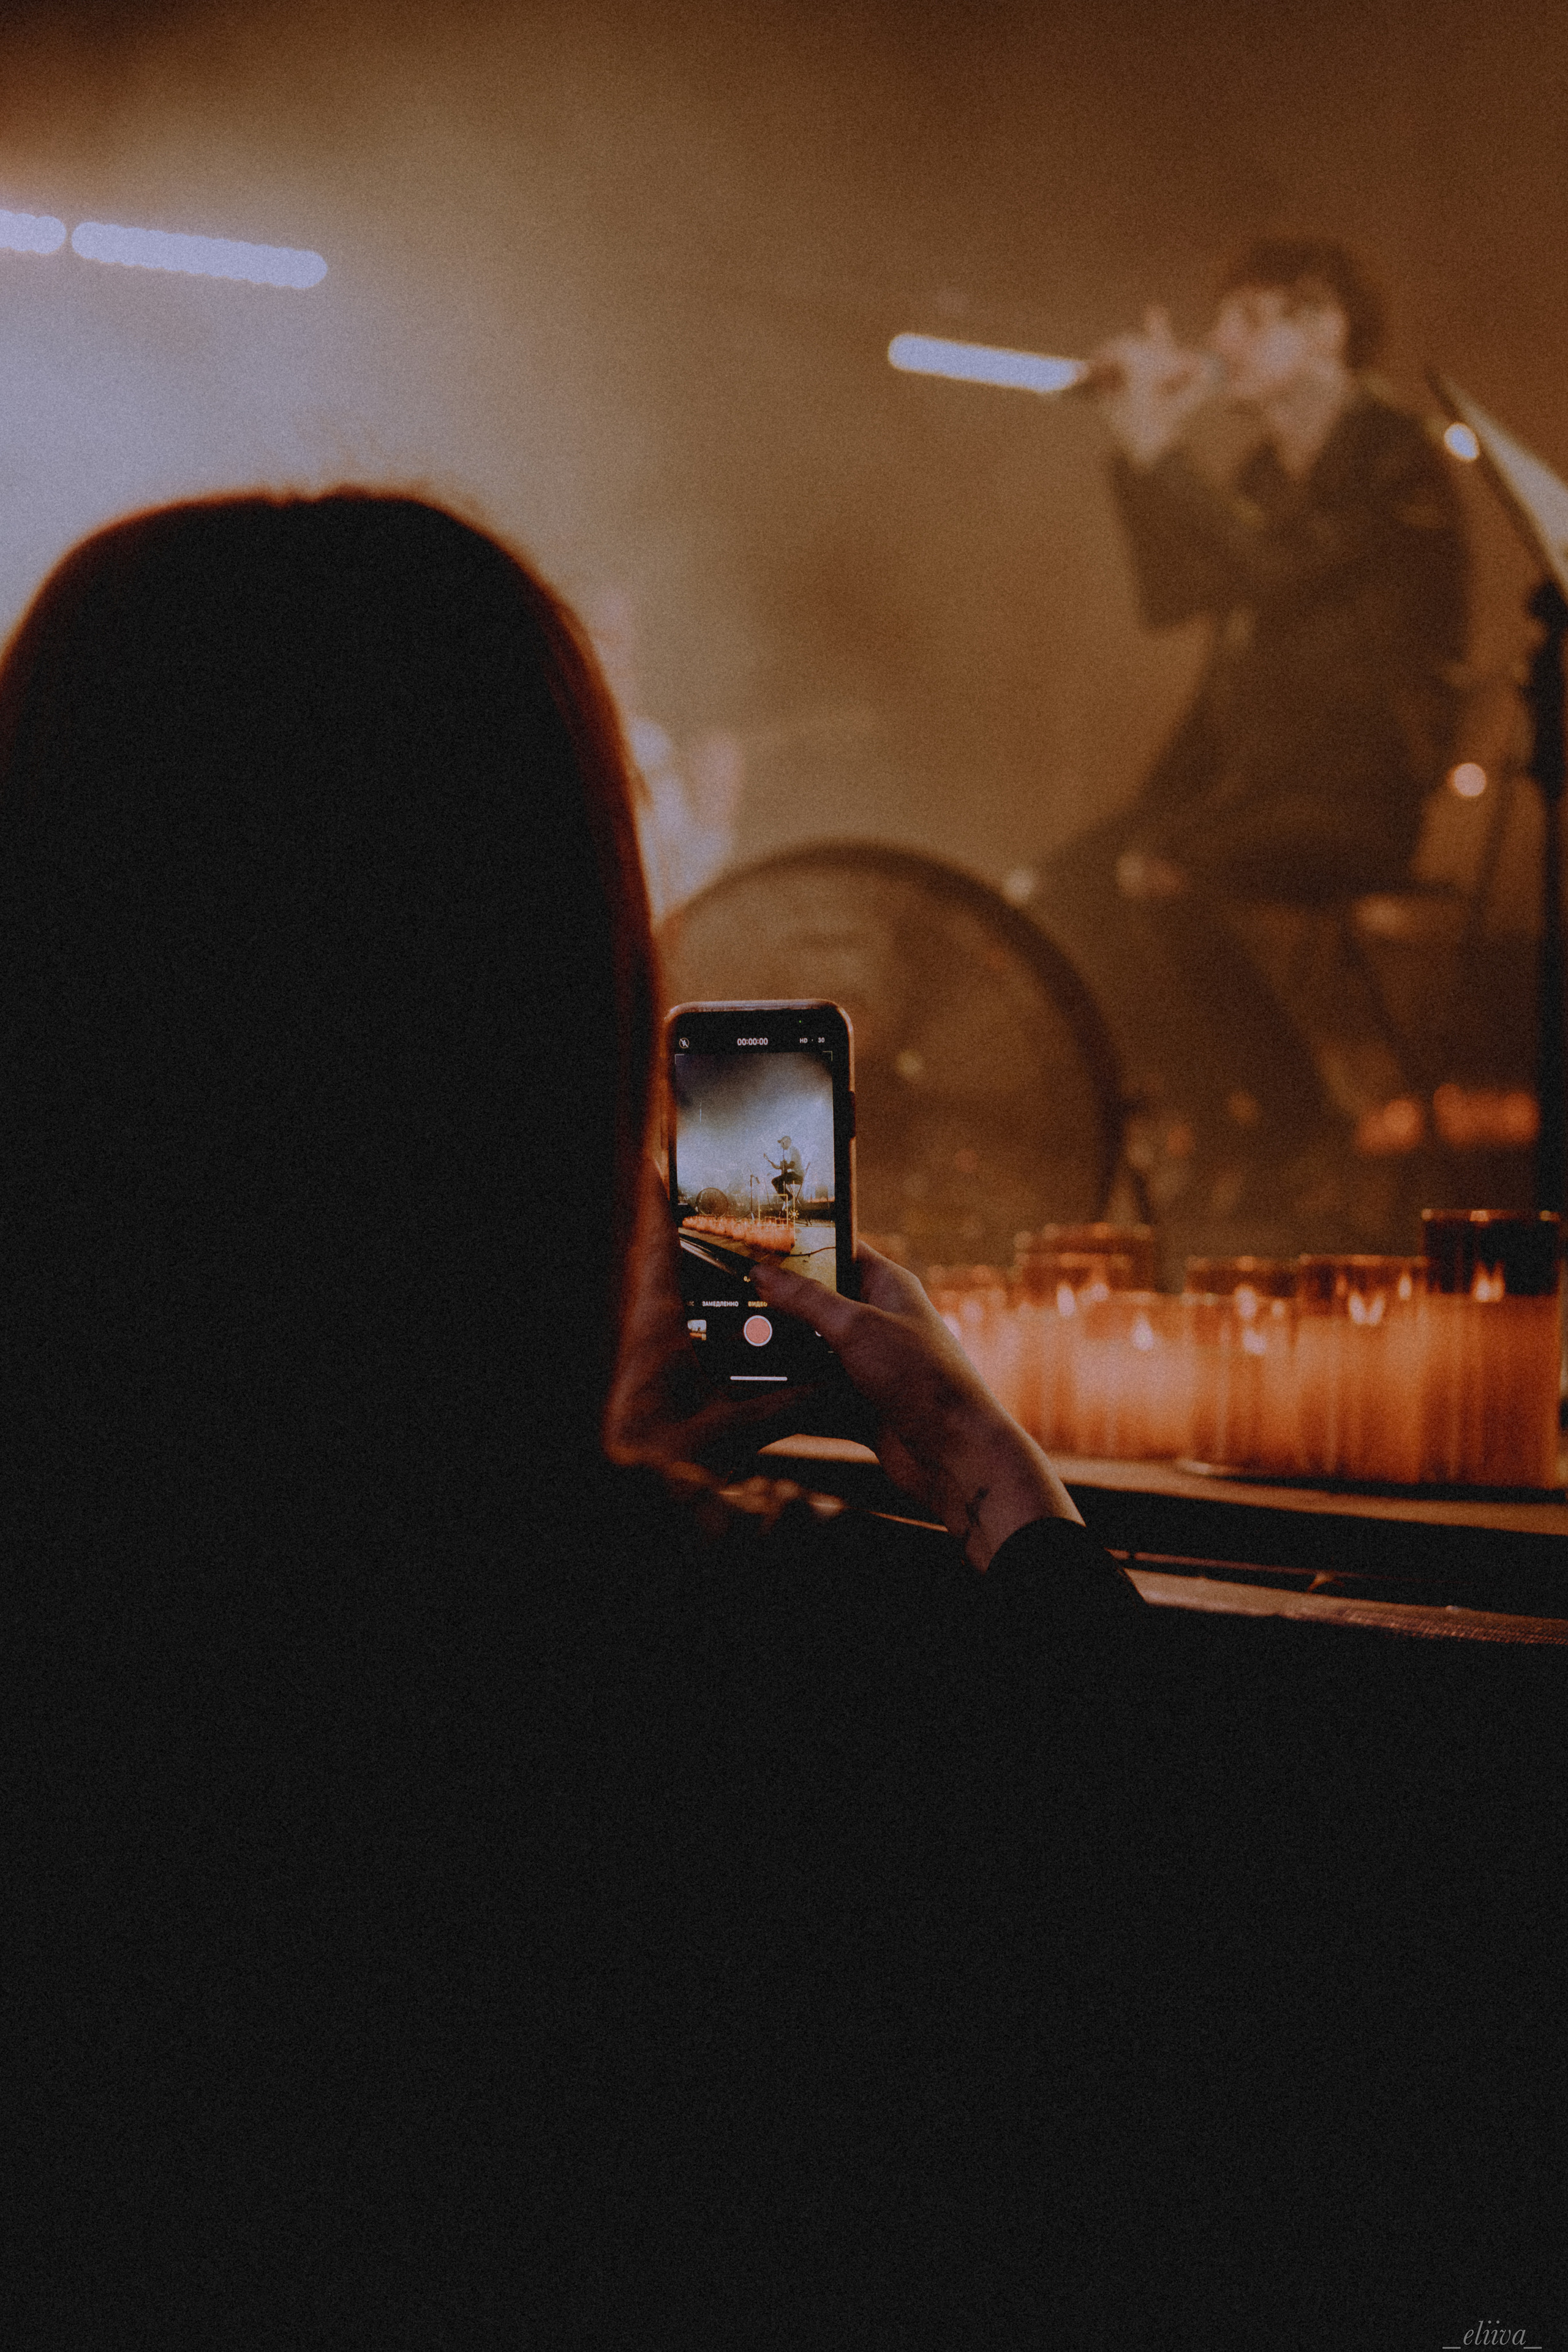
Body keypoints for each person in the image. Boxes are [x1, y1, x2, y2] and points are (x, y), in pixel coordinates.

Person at [6, 493, 1551, 2346]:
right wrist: (988, 1470)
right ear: (575, 1020)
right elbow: (1222, 2043)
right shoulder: (771, 1668)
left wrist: (614, 1469)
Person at [1032, 240, 1471, 1215]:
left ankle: (1297, 1122)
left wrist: (1163, 455)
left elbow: (1275, 571)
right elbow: (1174, 592)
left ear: (1326, 331)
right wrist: (1134, 449)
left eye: (1249, 319)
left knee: (1161, 876)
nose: (1220, 342)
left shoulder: (1391, 456)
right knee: (1064, 893)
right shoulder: (1268, 475)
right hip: (1246, 788)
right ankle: (1230, 1129)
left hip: (1353, 792)